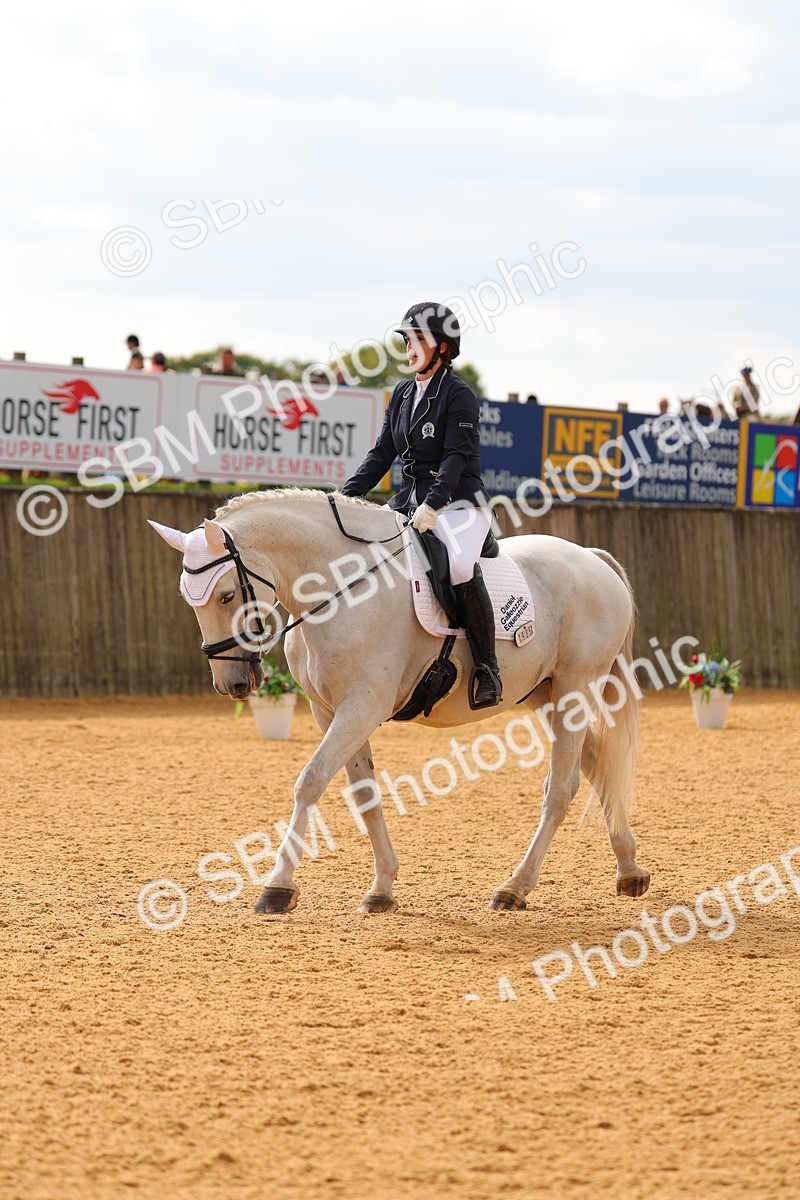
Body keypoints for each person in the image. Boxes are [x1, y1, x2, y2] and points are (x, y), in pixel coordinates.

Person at [341, 301, 501, 707]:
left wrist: (432, 505)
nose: (409, 348)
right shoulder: (402, 392)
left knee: (461, 566)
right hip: (410, 502)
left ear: (442, 347)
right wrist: (344, 498)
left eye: (417, 340)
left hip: (460, 504)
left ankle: (488, 668)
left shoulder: (459, 395)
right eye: (407, 340)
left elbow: (455, 458)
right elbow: (381, 454)